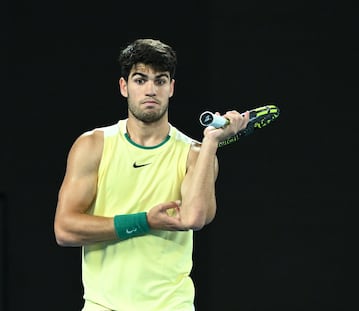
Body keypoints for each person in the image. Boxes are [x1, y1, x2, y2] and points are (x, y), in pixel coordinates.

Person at [53, 38, 250, 311]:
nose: (150, 90)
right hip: (103, 305)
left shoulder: (196, 154)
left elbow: (194, 218)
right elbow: (64, 230)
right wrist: (144, 221)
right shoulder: (93, 145)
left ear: (171, 88)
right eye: (140, 80)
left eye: (160, 81)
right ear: (124, 87)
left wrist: (211, 142)